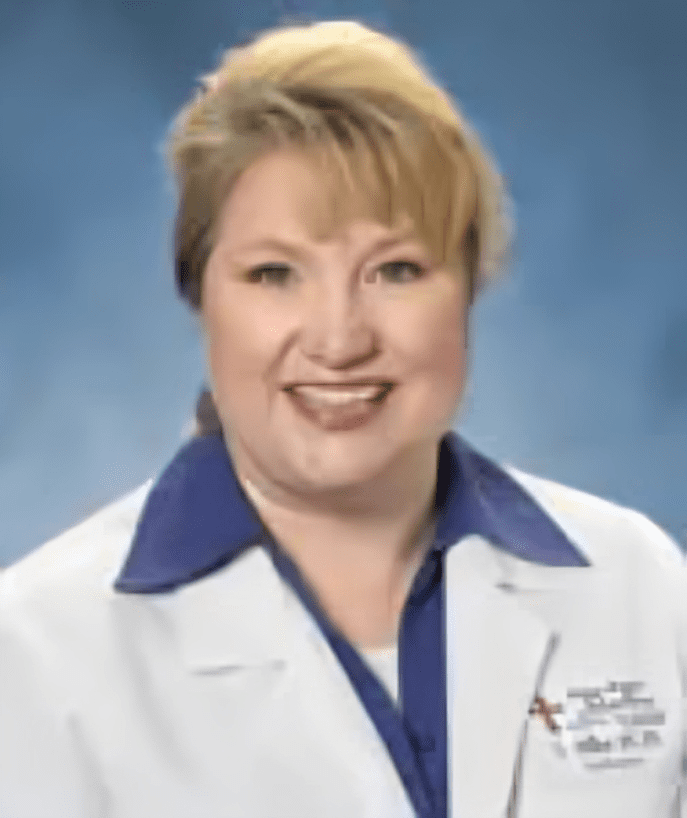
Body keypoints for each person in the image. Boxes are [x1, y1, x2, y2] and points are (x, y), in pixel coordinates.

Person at [0, 17, 685, 818]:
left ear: (467, 285)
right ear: (201, 298)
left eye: (395, 270)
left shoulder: (636, 582)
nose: (338, 338)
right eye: (273, 273)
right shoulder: (37, 648)